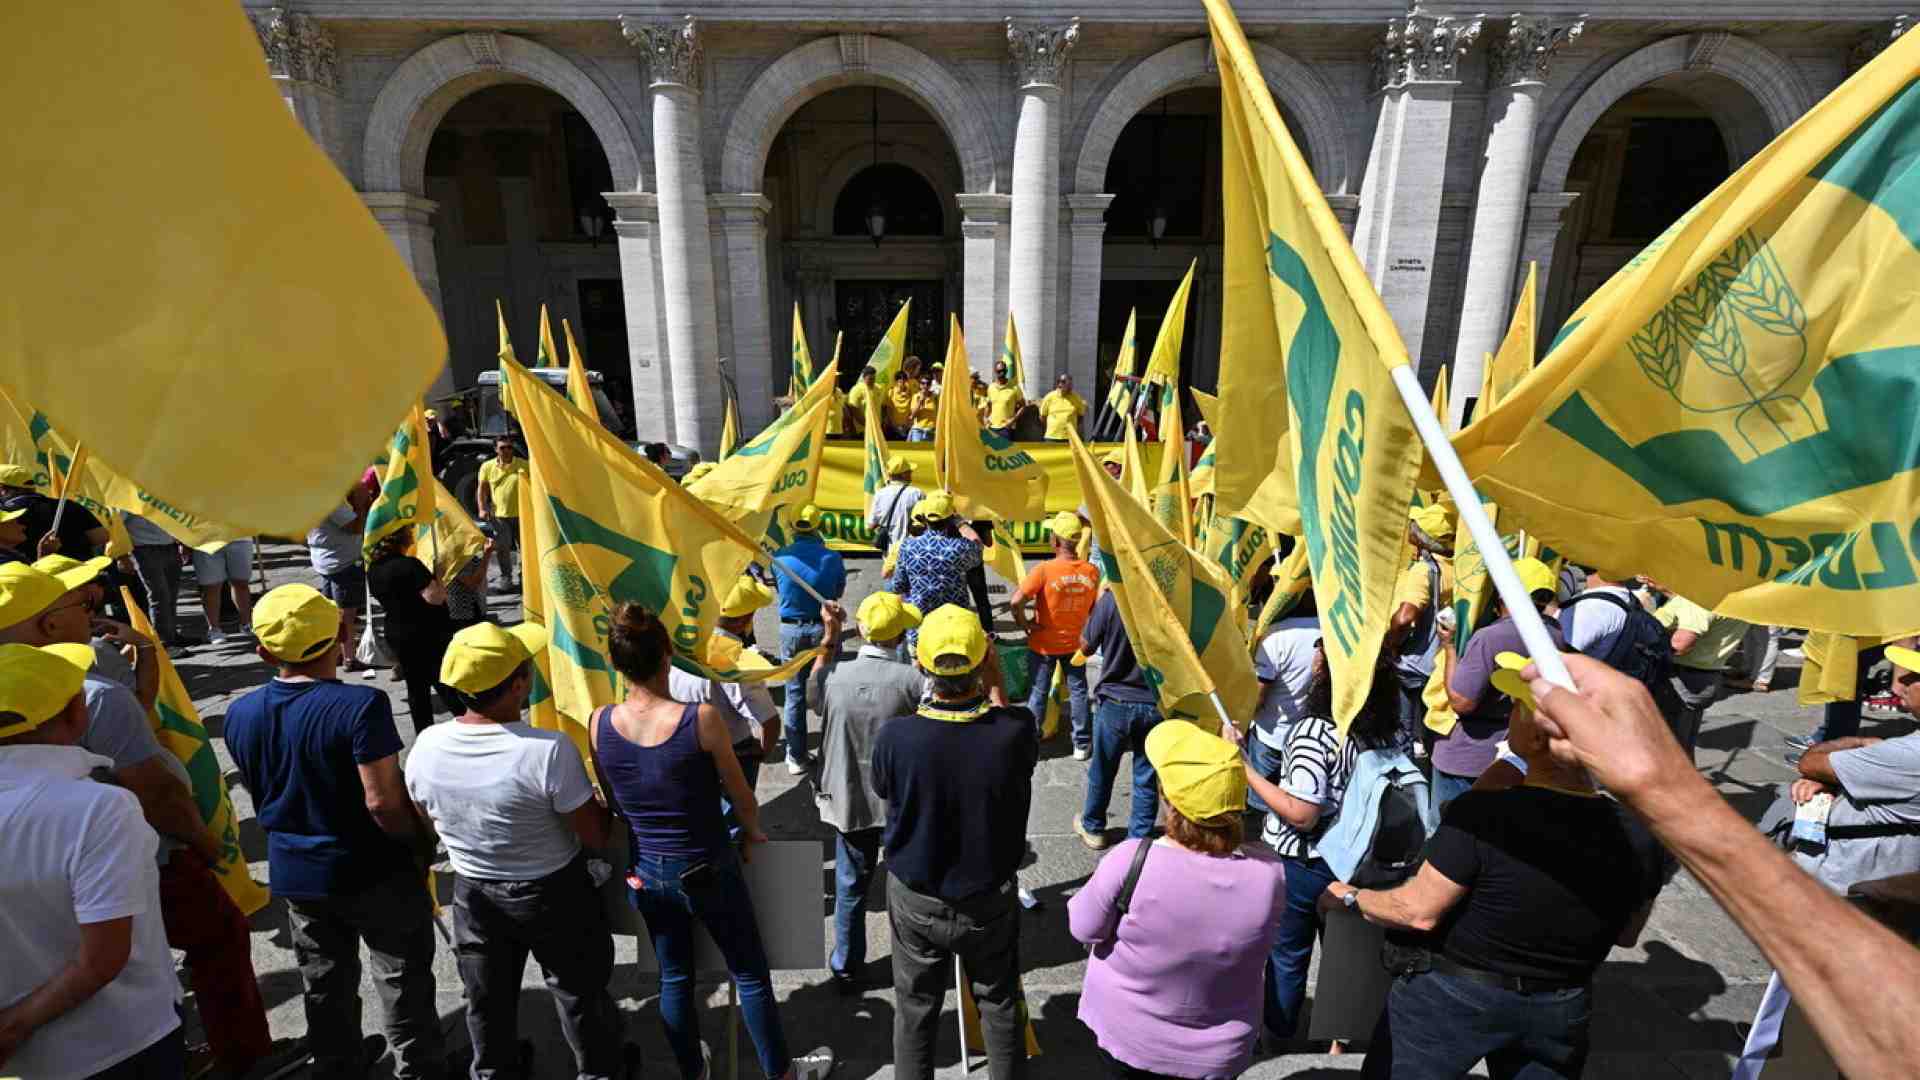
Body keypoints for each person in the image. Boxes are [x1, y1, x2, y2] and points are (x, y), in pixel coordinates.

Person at [1517, 651, 1920, 1079]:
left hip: (1853, 909)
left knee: (1800, 1045)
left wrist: (1663, 790)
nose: (1897, 683)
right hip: (1858, 921)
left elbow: (1900, 1036)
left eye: (1913, 675)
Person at [0, 560, 275, 1077]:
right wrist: (208, 843)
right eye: (81, 604)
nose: (92, 609)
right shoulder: (89, 705)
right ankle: (244, 1058)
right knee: (218, 936)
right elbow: (157, 793)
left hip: (34, 1044)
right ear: (49, 626)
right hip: (129, 1027)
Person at [1322, 669, 1667, 1080]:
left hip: (1453, 996)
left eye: (1519, 709)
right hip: (1561, 1003)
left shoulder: (1486, 815)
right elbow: (1626, 933)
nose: (1508, 715)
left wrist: (1349, 897)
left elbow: (1418, 911)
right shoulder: (1640, 832)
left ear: (1539, 739)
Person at [594, 603, 836, 1080]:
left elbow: (614, 798)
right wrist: (753, 833)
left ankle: (692, 1071)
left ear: (618, 666)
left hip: (647, 869)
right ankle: (780, 1074)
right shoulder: (699, 719)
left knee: (675, 977)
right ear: (668, 657)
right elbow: (741, 795)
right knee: (748, 972)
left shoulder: (599, 721)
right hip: (706, 862)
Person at [224, 584, 446, 1080]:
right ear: (342, 634)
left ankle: (337, 1062)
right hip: (370, 867)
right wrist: (420, 844)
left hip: (297, 869)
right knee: (401, 976)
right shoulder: (360, 706)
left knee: (323, 977)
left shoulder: (239, 712)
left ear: (262, 651)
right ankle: (419, 1067)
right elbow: (383, 802)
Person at [405, 621, 626, 1080]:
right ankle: (599, 1071)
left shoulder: (426, 745)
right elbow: (595, 834)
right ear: (519, 683)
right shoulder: (547, 750)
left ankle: (493, 1071)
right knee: (578, 991)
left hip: (472, 889)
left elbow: (425, 817)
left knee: (486, 996)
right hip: (554, 890)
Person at [0, 642, 185, 1079]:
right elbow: (102, 958)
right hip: (123, 1042)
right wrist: (14, 1026)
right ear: (75, 713)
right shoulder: (100, 808)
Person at [872, 605, 1038, 1080]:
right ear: (985, 660)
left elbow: (885, 790)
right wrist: (995, 675)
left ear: (920, 666)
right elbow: (1006, 717)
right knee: (999, 1002)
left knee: (916, 1008)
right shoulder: (1015, 731)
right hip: (988, 895)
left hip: (917, 895)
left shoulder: (896, 738)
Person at [1069, 719, 1287, 1079]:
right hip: (1218, 1055)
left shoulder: (1131, 859)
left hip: (1130, 1039)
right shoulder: (1269, 873)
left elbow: (1084, 926)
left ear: (1169, 801)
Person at [1247, 654, 1404, 1043]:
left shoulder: (1316, 732)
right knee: (1347, 955)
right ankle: (1341, 1039)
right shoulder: (1391, 732)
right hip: (1362, 862)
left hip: (1306, 861)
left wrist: (1246, 770)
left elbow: (1302, 814)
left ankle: (1280, 1036)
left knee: (1288, 956)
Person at [810, 592, 926, 994]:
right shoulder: (913, 681)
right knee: (907, 888)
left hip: (849, 802)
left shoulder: (834, 677)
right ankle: (912, 960)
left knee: (850, 888)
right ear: (898, 637)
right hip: (900, 804)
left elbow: (813, 696)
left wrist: (829, 639)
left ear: (861, 630)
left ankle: (846, 964)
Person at [1431, 556, 1564, 814]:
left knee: (1448, 832)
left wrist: (1449, 648)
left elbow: (1461, 702)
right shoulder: (1555, 632)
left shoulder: (1491, 638)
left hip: (1468, 758)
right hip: (1516, 753)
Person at [668, 575, 781, 837]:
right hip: (734, 751)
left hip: (685, 745)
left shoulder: (681, 643)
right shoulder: (737, 660)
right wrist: (761, 753)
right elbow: (770, 721)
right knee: (733, 820)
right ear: (745, 619)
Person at [1076, 587, 1166, 850]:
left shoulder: (1112, 598)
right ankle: (1139, 838)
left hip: (1115, 700)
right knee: (1146, 775)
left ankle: (1093, 828)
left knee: (1102, 769)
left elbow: (1085, 645)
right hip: (1155, 702)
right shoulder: (1168, 598)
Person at [1008, 512, 1097, 755]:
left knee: (1038, 692)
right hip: (1076, 643)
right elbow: (1092, 608)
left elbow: (1016, 602)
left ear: (1055, 541)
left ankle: (1033, 743)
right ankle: (1082, 743)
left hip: (1043, 644)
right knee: (1079, 691)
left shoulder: (1044, 570)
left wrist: (1025, 624)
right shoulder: (1091, 571)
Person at [770, 505, 846, 774]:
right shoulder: (832, 557)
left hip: (790, 630)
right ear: (817, 525)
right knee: (830, 693)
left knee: (794, 694)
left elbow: (781, 589)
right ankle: (833, 752)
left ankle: (796, 756)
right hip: (824, 629)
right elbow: (838, 591)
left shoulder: (780, 556)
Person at [365, 530, 459, 733]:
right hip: (426, 630)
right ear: (404, 540)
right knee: (443, 680)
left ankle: (423, 733)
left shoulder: (373, 569)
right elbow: (435, 597)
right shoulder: (410, 565)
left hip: (398, 631)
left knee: (416, 687)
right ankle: (468, 722)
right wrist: (439, 579)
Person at [1387, 504, 1454, 750]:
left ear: (1423, 538)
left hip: (1414, 665)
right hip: (1443, 663)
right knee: (1428, 733)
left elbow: (1405, 617)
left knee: (1403, 733)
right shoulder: (1459, 567)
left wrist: (1391, 644)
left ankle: (1410, 785)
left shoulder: (1423, 571)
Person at [1249, 593, 1320, 814]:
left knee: (1262, 806)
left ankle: (1263, 843)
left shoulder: (1275, 636)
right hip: (1311, 738)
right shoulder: (1331, 631)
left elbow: (1259, 695)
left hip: (1271, 735)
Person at [1653, 590, 1748, 754]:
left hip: (1681, 677)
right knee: (1682, 745)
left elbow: (1681, 644)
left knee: (1668, 749)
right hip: (1705, 675)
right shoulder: (1734, 596)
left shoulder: (1702, 599)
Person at [889, 492, 982, 650]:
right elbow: (978, 546)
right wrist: (961, 523)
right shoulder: (961, 547)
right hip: (954, 630)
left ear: (924, 518)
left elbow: (898, 586)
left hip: (920, 630)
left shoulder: (908, 546)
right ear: (950, 519)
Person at [307, 487, 370, 671]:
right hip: (342, 562)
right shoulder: (330, 500)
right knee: (346, 615)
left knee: (334, 613)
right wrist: (360, 506)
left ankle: (335, 653)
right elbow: (355, 527)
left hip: (327, 560)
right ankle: (349, 657)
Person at [0, 464, 110, 560]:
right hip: (80, 573)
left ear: (2, 489)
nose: (21, 527)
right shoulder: (66, 505)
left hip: (30, 577)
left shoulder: (4, 513)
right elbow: (101, 536)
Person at [123, 513, 187, 648]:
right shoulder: (128, 495)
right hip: (144, 548)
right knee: (159, 596)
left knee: (171, 594)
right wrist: (122, 556)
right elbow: (117, 525)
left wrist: (182, 541)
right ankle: (163, 642)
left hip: (170, 546)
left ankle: (172, 635)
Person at [476, 437, 529, 589]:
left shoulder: (524, 465)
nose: (506, 451)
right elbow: (482, 489)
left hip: (523, 514)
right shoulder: (487, 466)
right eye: (502, 448)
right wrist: (481, 507)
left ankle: (524, 577)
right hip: (499, 516)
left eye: (509, 447)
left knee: (524, 548)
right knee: (503, 548)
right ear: (496, 450)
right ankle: (506, 577)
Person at [190, 538, 254, 645]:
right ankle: (214, 630)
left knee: (241, 583)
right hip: (206, 539)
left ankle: (246, 624)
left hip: (240, 537)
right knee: (211, 587)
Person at [865, 455, 923, 570]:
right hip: (913, 551)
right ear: (903, 474)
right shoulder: (917, 494)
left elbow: (870, 525)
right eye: (909, 471)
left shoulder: (880, 494)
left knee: (892, 584)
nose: (911, 473)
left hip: (890, 556)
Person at [1037, 374, 1088, 441]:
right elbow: (1042, 416)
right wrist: (1052, 427)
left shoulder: (1076, 398)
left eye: (1071, 385)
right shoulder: (1049, 397)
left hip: (1070, 438)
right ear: (1060, 384)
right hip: (1051, 437)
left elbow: (1080, 416)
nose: (1071, 388)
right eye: (1068, 385)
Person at [985, 360, 1026, 442]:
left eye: (1003, 371)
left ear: (1007, 371)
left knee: (1006, 454)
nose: (1001, 373)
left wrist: (1013, 420)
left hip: (1006, 428)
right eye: (999, 371)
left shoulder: (1014, 387)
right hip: (992, 428)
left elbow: (1023, 406)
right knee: (992, 454)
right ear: (995, 372)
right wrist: (985, 418)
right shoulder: (991, 387)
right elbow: (988, 405)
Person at [887, 359, 920, 438]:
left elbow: (915, 404)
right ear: (912, 368)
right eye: (918, 369)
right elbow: (889, 408)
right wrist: (892, 424)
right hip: (894, 426)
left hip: (908, 425)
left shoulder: (915, 383)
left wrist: (910, 422)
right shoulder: (892, 389)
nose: (918, 371)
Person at [906, 374, 938, 442]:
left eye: (928, 383)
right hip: (918, 431)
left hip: (931, 431)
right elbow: (912, 415)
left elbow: (939, 413)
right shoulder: (916, 397)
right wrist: (920, 400)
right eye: (923, 383)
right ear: (920, 385)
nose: (925, 386)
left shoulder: (935, 397)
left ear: (930, 385)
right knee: (917, 452)